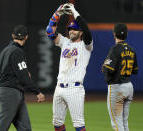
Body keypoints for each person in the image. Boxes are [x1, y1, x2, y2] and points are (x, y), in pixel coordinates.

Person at [46, 3, 93, 131]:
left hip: (75, 88)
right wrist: (56, 14)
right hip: (59, 87)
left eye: (75, 29)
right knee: (57, 123)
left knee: (78, 124)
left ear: (81, 32)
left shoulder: (86, 45)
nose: (71, 31)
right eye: (70, 29)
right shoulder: (65, 42)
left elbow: (87, 30)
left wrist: (74, 12)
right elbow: (49, 31)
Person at [0, 25, 45, 131]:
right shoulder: (17, 51)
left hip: (9, 90)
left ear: (13, 35)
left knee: (25, 127)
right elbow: (23, 76)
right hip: (10, 91)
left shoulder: (5, 50)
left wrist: (24, 73)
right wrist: (37, 92)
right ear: (26, 37)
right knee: (3, 126)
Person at [102, 23, 138, 131]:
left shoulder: (115, 49)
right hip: (129, 86)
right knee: (124, 122)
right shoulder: (132, 50)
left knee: (117, 124)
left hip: (117, 88)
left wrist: (104, 67)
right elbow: (135, 70)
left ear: (114, 34)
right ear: (126, 34)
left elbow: (107, 69)